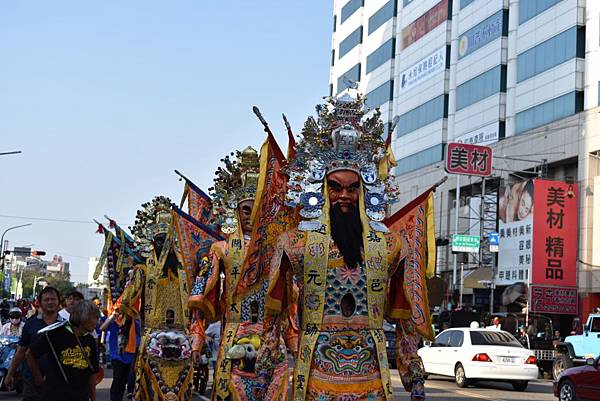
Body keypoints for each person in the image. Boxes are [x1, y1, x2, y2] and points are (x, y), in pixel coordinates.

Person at [258, 93, 430, 401]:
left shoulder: (390, 246)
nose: (344, 197)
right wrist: (266, 365)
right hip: (314, 374)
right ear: (321, 191)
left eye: (353, 189)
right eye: (335, 188)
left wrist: (413, 373)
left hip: (372, 375)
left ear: (366, 192)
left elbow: (403, 319)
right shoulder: (294, 244)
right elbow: (275, 312)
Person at [187, 146, 292, 400]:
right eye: (247, 209)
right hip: (234, 333)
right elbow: (201, 298)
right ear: (237, 211)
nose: (251, 216)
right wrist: (197, 338)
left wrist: (294, 338)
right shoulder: (221, 249)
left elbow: (290, 298)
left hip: (270, 336)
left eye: (257, 209)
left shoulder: (279, 247)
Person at [118, 196, 193, 401]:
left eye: (169, 240)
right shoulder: (143, 270)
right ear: (152, 242)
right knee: (150, 388)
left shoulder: (186, 271)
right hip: (153, 338)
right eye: (160, 241)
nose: (165, 246)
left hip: (182, 337)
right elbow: (126, 301)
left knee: (180, 390)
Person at [27, 300, 100, 401]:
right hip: (54, 395)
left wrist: (93, 399)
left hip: (80, 396)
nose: (97, 321)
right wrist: (38, 378)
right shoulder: (54, 335)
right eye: (95, 317)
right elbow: (30, 354)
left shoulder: (90, 340)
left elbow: (92, 372)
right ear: (84, 317)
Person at [5, 286, 61, 401]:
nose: (50, 302)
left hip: (58, 380)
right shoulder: (30, 324)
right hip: (31, 380)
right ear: (39, 303)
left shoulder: (66, 325)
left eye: (53, 299)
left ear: (58, 302)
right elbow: (21, 351)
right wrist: (10, 374)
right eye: (46, 300)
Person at [100, 311, 139, 401]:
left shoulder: (134, 323)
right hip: (117, 356)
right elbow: (102, 328)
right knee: (117, 380)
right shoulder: (114, 323)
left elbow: (141, 332)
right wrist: (111, 317)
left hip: (129, 356)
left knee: (123, 381)